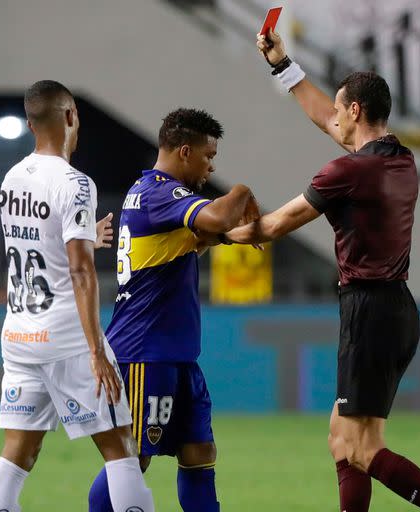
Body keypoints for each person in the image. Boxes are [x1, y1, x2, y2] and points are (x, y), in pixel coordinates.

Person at [224, 31, 420, 512]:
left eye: (342, 111)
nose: (334, 118)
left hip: (368, 311)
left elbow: (276, 224)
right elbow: (327, 117)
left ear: (357, 112)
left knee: (362, 449)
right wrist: (283, 65)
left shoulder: (347, 173)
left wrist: (211, 233)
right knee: (343, 441)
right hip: (398, 309)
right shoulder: (401, 159)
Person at [0, 80, 154, 512]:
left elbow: (35, 247)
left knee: (18, 454)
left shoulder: (12, 178)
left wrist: (84, 238)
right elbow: (79, 271)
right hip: (68, 338)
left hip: (19, 336)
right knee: (121, 449)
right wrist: (97, 350)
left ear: (29, 123)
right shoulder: (76, 183)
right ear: (71, 116)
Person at [88, 108, 259, 512]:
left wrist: (221, 236)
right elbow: (217, 215)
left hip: (175, 355)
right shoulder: (160, 192)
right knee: (131, 460)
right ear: (185, 151)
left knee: (199, 451)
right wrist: (243, 191)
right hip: (146, 353)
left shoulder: (151, 194)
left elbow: (202, 235)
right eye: (208, 156)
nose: (211, 166)